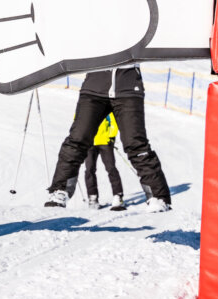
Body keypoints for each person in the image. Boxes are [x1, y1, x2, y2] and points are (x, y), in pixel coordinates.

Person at [45, 66, 173, 211]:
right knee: (77, 139)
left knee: (136, 144)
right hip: (94, 88)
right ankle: (59, 190)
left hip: (128, 88)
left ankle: (158, 197)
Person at [82, 113, 126, 210]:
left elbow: (113, 122)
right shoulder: (85, 105)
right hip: (90, 143)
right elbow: (79, 121)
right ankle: (92, 197)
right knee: (89, 170)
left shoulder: (105, 105)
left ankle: (118, 196)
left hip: (104, 141)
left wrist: (110, 137)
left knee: (111, 168)